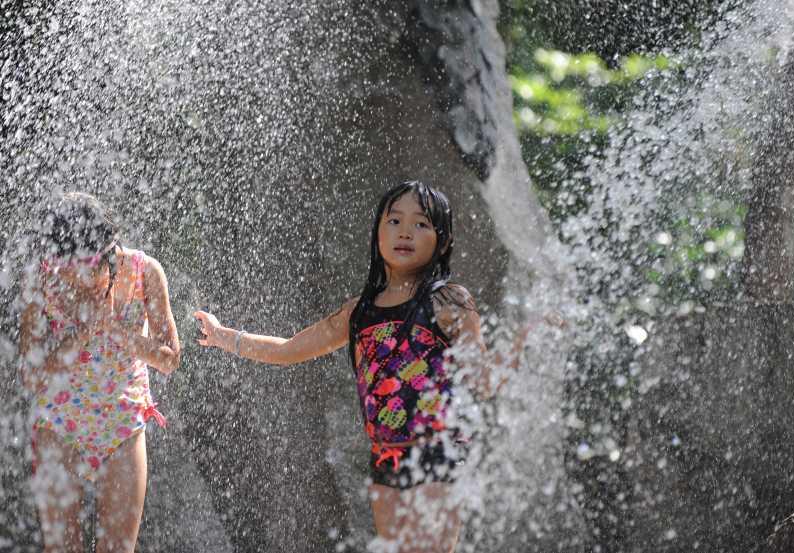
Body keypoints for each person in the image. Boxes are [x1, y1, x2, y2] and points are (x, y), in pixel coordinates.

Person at [194, 181, 539, 553]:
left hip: (439, 449)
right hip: (385, 455)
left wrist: (523, 343)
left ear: (442, 241)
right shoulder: (359, 311)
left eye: (421, 224)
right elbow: (291, 349)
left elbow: (482, 381)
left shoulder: (449, 302)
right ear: (377, 233)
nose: (405, 231)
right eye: (394, 221)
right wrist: (223, 336)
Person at [18, 192, 181, 553]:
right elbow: (30, 376)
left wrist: (115, 331)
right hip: (60, 424)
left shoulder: (145, 272)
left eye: (86, 274)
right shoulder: (42, 278)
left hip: (123, 424)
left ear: (109, 257)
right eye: (66, 273)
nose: (74, 284)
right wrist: (81, 334)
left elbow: (169, 359)